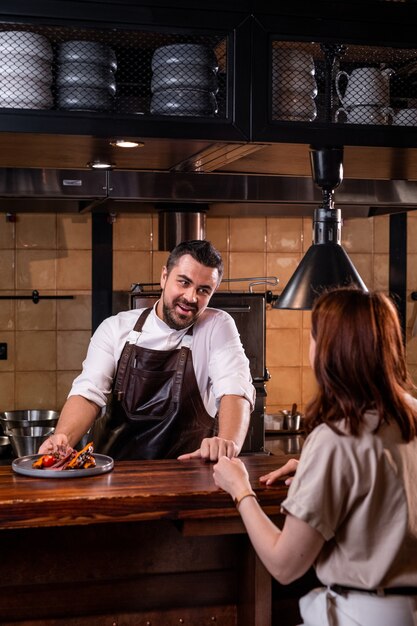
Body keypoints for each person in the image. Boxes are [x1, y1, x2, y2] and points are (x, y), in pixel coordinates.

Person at [213, 287, 417, 626]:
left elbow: (285, 565)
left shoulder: (336, 438)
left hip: (363, 616)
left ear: (328, 351)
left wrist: (240, 490)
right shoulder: (411, 414)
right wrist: (314, 470)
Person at [40, 240, 255, 461]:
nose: (191, 297)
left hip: (187, 477)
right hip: (115, 475)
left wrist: (228, 442)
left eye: (203, 290)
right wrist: (62, 438)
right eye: (183, 282)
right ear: (164, 277)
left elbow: (235, 389)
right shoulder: (115, 328)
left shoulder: (217, 326)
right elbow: (89, 393)